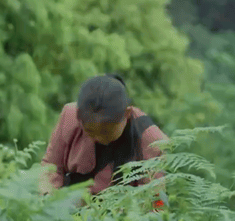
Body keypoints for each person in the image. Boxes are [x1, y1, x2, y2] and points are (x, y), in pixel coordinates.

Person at [39, 74, 167, 204]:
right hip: (67, 205)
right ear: (78, 115)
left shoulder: (153, 142)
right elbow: (51, 167)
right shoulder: (70, 115)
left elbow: (156, 202)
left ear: (126, 114)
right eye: (90, 132)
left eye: (105, 132)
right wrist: (49, 199)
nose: (97, 139)